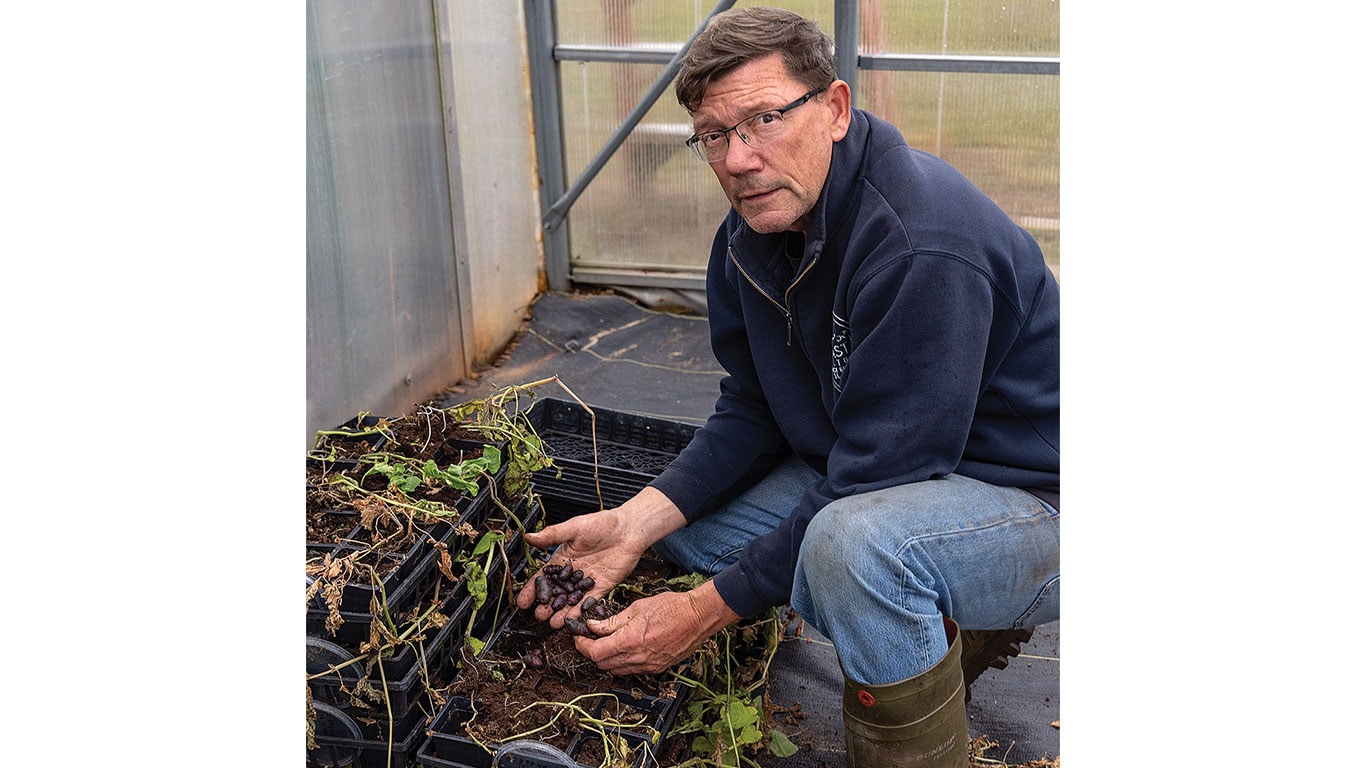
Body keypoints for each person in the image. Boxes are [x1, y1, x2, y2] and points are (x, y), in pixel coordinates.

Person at [516, 7, 1059, 766]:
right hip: (910, 474)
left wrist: (702, 614)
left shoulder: (920, 241)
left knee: (852, 548)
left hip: (1035, 500)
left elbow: (882, 473)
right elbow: (752, 406)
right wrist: (634, 525)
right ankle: (929, 628)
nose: (739, 159)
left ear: (834, 110)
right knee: (691, 522)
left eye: (765, 119)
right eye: (714, 134)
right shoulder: (751, 237)